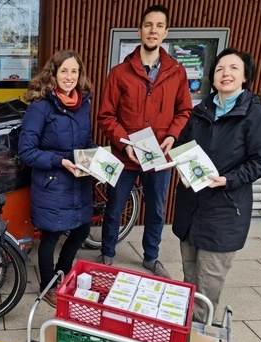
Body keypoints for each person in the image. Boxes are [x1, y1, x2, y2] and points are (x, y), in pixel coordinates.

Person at [172, 48, 261, 322]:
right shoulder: (201, 111)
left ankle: (197, 341)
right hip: (191, 208)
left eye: (233, 68)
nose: (225, 73)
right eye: (220, 68)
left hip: (223, 212)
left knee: (207, 287)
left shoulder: (258, 117)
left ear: (245, 77)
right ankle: (185, 330)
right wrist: (181, 165)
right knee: (189, 277)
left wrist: (228, 179)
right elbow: (185, 147)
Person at [97, 4, 193, 278]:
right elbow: (106, 115)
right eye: (148, 25)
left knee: (156, 209)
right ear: (139, 31)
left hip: (159, 156)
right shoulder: (119, 72)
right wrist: (124, 142)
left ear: (166, 32)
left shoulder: (176, 72)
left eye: (159, 26)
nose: (153, 30)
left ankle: (151, 257)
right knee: (114, 207)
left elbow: (184, 110)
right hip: (125, 155)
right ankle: (107, 252)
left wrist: (173, 135)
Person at [18, 49, 95, 307]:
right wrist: (59, 161)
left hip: (79, 181)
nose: (70, 76)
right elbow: (26, 151)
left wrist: (98, 161)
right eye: (64, 71)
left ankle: (63, 270)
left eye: (75, 71)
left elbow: (85, 142)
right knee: (51, 235)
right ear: (54, 73)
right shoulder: (41, 106)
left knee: (82, 228)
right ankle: (48, 286)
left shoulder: (83, 103)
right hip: (53, 181)